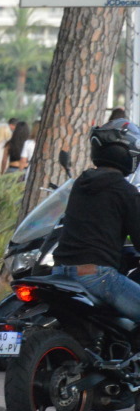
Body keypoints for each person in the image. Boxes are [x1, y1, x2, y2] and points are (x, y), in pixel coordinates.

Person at [52, 118, 140, 328]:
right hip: (97, 277)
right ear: (128, 153)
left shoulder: (80, 184)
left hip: (60, 273)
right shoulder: (125, 191)